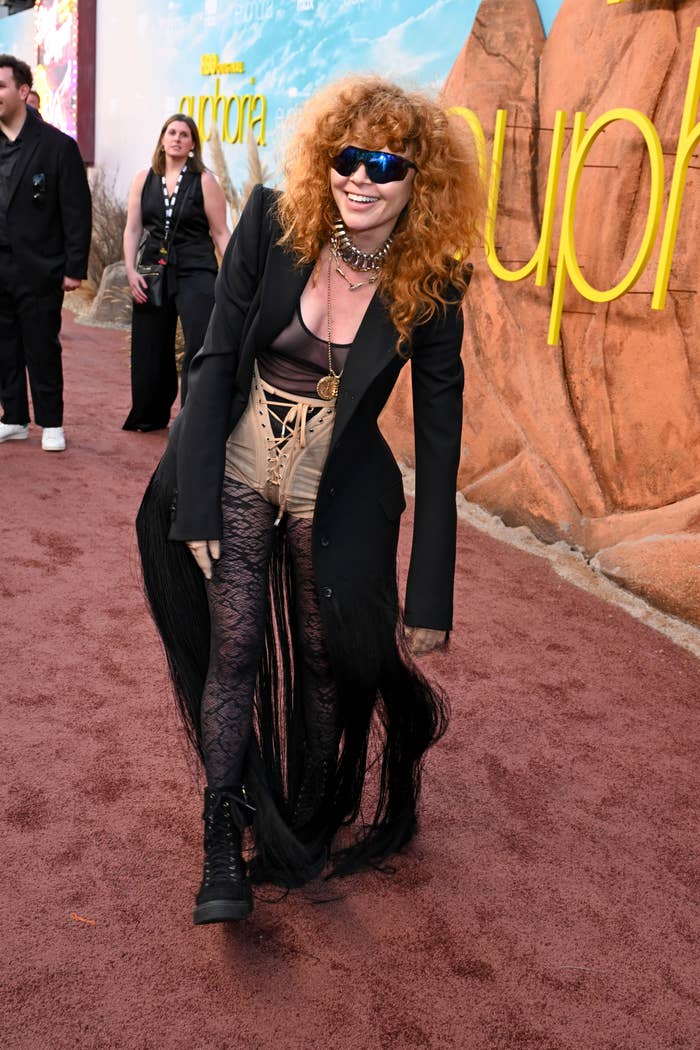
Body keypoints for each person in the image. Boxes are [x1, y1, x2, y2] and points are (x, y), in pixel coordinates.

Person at [136, 76, 481, 925]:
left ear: (420, 181)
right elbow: (216, 357)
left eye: (385, 165)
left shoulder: (434, 283)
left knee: (329, 658)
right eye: (346, 158)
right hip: (242, 454)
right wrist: (196, 502)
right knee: (235, 645)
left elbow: (441, 446)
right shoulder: (271, 220)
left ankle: (308, 818)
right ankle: (223, 840)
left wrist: (429, 598)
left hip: (336, 482)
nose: (360, 178)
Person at [0, 55, 91, 452]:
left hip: (39, 267)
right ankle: (14, 418)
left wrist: (74, 267)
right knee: (4, 346)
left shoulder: (58, 146)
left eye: (1, 85)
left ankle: (51, 423)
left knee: (42, 346)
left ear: (23, 91)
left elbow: (76, 211)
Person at [122, 114, 230, 431]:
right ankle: (149, 415)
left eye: (184, 134)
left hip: (196, 269)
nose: (177, 139)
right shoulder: (144, 178)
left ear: (192, 144)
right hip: (152, 268)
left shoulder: (205, 180)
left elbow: (221, 232)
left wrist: (235, 273)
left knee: (199, 341)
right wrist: (130, 270)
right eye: (172, 132)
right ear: (162, 139)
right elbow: (132, 229)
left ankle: (192, 420)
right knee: (150, 345)